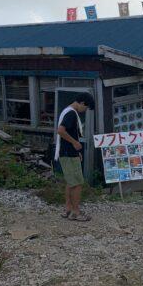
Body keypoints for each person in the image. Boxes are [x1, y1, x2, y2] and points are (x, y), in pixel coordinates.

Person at [55, 92, 95, 222]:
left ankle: (68, 208)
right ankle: (76, 212)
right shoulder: (72, 113)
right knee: (77, 183)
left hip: (67, 152)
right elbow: (60, 130)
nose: (85, 111)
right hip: (68, 153)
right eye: (86, 108)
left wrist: (76, 150)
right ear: (82, 103)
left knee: (70, 182)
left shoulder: (66, 111)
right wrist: (75, 143)